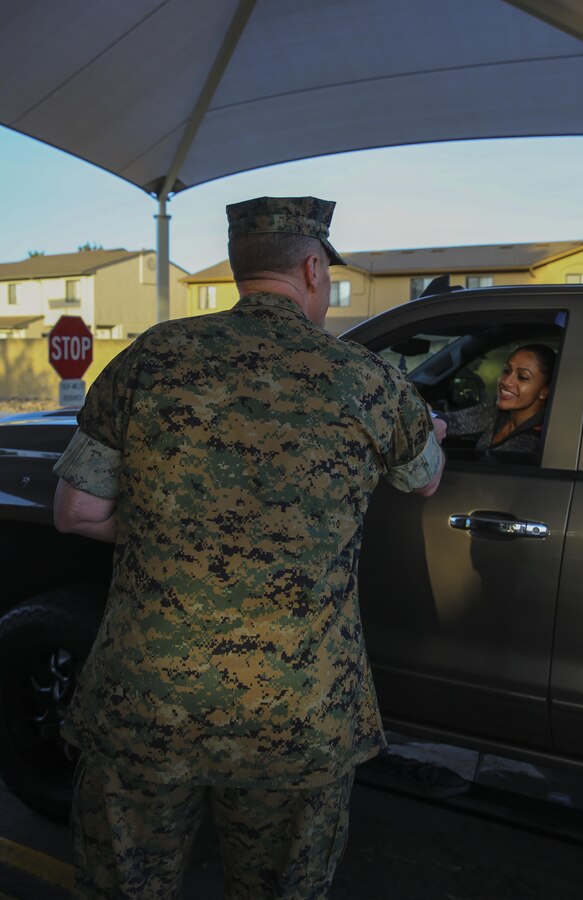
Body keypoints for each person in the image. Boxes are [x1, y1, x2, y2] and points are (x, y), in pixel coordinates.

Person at [53, 195, 445, 900]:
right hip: (298, 714)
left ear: (241, 270)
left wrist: (176, 533)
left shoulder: (152, 357)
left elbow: (77, 511)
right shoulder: (368, 380)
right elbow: (423, 481)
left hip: (148, 702)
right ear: (312, 268)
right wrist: (431, 435)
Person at [437, 343, 555, 461]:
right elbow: (450, 422)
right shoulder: (497, 413)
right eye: (506, 370)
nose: (506, 381)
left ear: (544, 392)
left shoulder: (532, 445)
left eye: (522, 377)